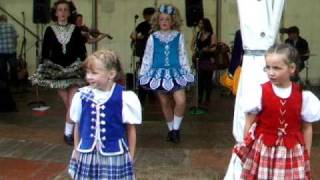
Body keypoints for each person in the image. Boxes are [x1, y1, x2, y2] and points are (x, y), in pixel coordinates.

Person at [233, 43, 320, 179]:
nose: (271, 72)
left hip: (292, 152)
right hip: (264, 150)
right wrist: (247, 148)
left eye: (276, 68)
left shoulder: (303, 95)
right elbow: (248, 123)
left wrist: (306, 154)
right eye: (267, 67)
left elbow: (307, 127)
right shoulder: (259, 92)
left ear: (291, 68)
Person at [68, 49, 141, 179]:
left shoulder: (124, 98)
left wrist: (131, 154)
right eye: (87, 72)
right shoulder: (81, 96)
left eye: (94, 73)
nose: (88, 76)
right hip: (87, 154)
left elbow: (130, 129)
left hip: (114, 155)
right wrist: (76, 149)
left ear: (111, 74)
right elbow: (78, 126)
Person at [29, 0, 87, 145]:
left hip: (74, 70)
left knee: (73, 103)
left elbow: (81, 50)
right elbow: (45, 53)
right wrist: (44, 69)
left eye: (65, 10)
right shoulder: (49, 29)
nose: (62, 13)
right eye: (59, 10)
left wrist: (84, 65)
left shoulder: (75, 29)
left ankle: (68, 134)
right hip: (57, 73)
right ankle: (74, 130)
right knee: (69, 104)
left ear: (69, 12)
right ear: (55, 13)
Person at [138, 4, 194, 143]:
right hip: (158, 72)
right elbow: (147, 55)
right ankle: (172, 131)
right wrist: (144, 73)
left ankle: (176, 129)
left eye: (167, 19)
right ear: (158, 21)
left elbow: (182, 54)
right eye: (162, 19)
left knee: (181, 101)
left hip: (176, 72)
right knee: (165, 103)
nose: (164, 22)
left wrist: (186, 71)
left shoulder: (178, 36)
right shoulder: (153, 37)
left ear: (172, 21)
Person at [130, 7, 155, 106]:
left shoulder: (157, 26)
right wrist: (138, 37)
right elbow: (132, 35)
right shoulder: (142, 25)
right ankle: (143, 95)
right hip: (144, 53)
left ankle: (152, 93)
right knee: (144, 74)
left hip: (155, 53)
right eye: (149, 15)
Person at [191, 18, 217, 106]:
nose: (199, 25)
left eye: (201, 23)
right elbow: (192, 45)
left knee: (208, 80)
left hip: (209, 59)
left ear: (206, 24)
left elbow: (214, 48)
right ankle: (199, 97)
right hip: (200, 59)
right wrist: (195, 51)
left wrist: (207, 49)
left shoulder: (212, 35)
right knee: (200, 80)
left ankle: (207, 98)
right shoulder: (198, 34)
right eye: (199, 23)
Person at [0, 14, 18, 112]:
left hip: (1, 52)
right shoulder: (10, 26)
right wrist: (14, 47)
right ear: (5, 20)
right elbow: (16, 37)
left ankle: (4, 85)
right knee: (13, 68)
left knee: (2, 71)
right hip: (11, 51)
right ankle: (15, 84)